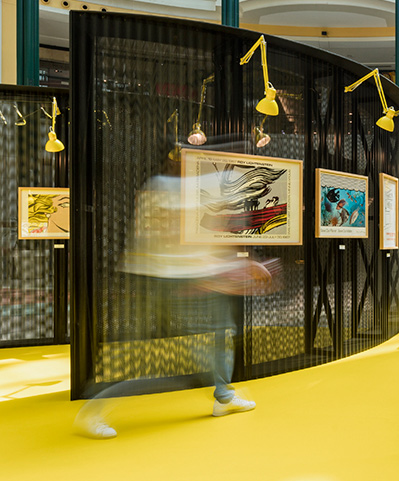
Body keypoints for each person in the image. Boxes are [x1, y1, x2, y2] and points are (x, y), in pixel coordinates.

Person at [74, 155, 267, 439]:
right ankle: (93, 410)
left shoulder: (187, 189)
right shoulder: (165, 188)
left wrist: (228, 266)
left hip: (187, 277)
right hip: (162, 278)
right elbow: (168, 239)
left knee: (221, 332)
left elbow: (205, 238)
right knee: (139, 348)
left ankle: (224, 396)